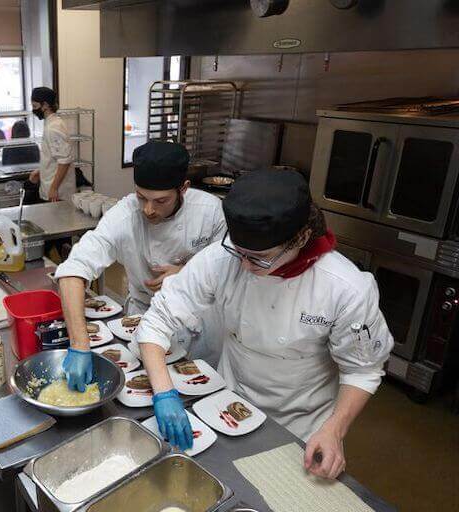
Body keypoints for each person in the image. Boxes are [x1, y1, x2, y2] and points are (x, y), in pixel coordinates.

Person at [135, 169, 394, 480]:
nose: (244, 265)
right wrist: (164, 393)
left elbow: (362, 369)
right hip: (226, 404)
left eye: (260, 258)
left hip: (300, 427)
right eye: (239, 252)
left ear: (300, 238)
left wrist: (335, 431)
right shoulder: (222, 259)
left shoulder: (345, 288)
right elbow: (158, 318)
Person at [56, 141, 227, 392]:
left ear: (184, 188)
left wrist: (185, 272)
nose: (148, 209)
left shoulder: (210, 211)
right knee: (143, 390)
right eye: (141, 197)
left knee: (199, 395)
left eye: (160, 201)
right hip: (144, 319)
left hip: (200, 324)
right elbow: (74, 269)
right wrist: (79, 344)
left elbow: (227, 266)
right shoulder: (124, 215)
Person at [29, 87, 75, 202]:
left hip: (58, 193)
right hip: (52, 187)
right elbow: (54, 156)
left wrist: (53, 188)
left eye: (35, 106)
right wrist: (41, 170)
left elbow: (64, 161)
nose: (34, 110)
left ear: (45, 105)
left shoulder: (54, 127)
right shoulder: (52, 123)